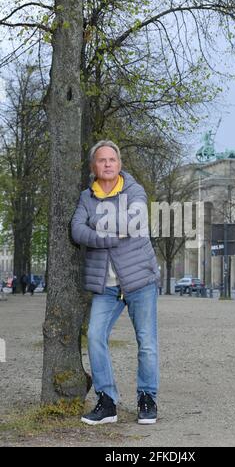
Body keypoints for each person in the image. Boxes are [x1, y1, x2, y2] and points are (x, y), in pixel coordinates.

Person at [71, 140, 160, 426]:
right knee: (96, 337)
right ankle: (107, 402)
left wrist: (95, 228)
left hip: (139, 281)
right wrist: (106, 237)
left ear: (119, 164)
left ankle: (147, 398)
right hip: (106, 287)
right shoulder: (87, 197)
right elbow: (76, 231)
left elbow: (132, 221)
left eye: (112, 159)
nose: (107, 164)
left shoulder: (134, 190)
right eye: (101, 160)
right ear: (93, 166)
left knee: (146, 342)